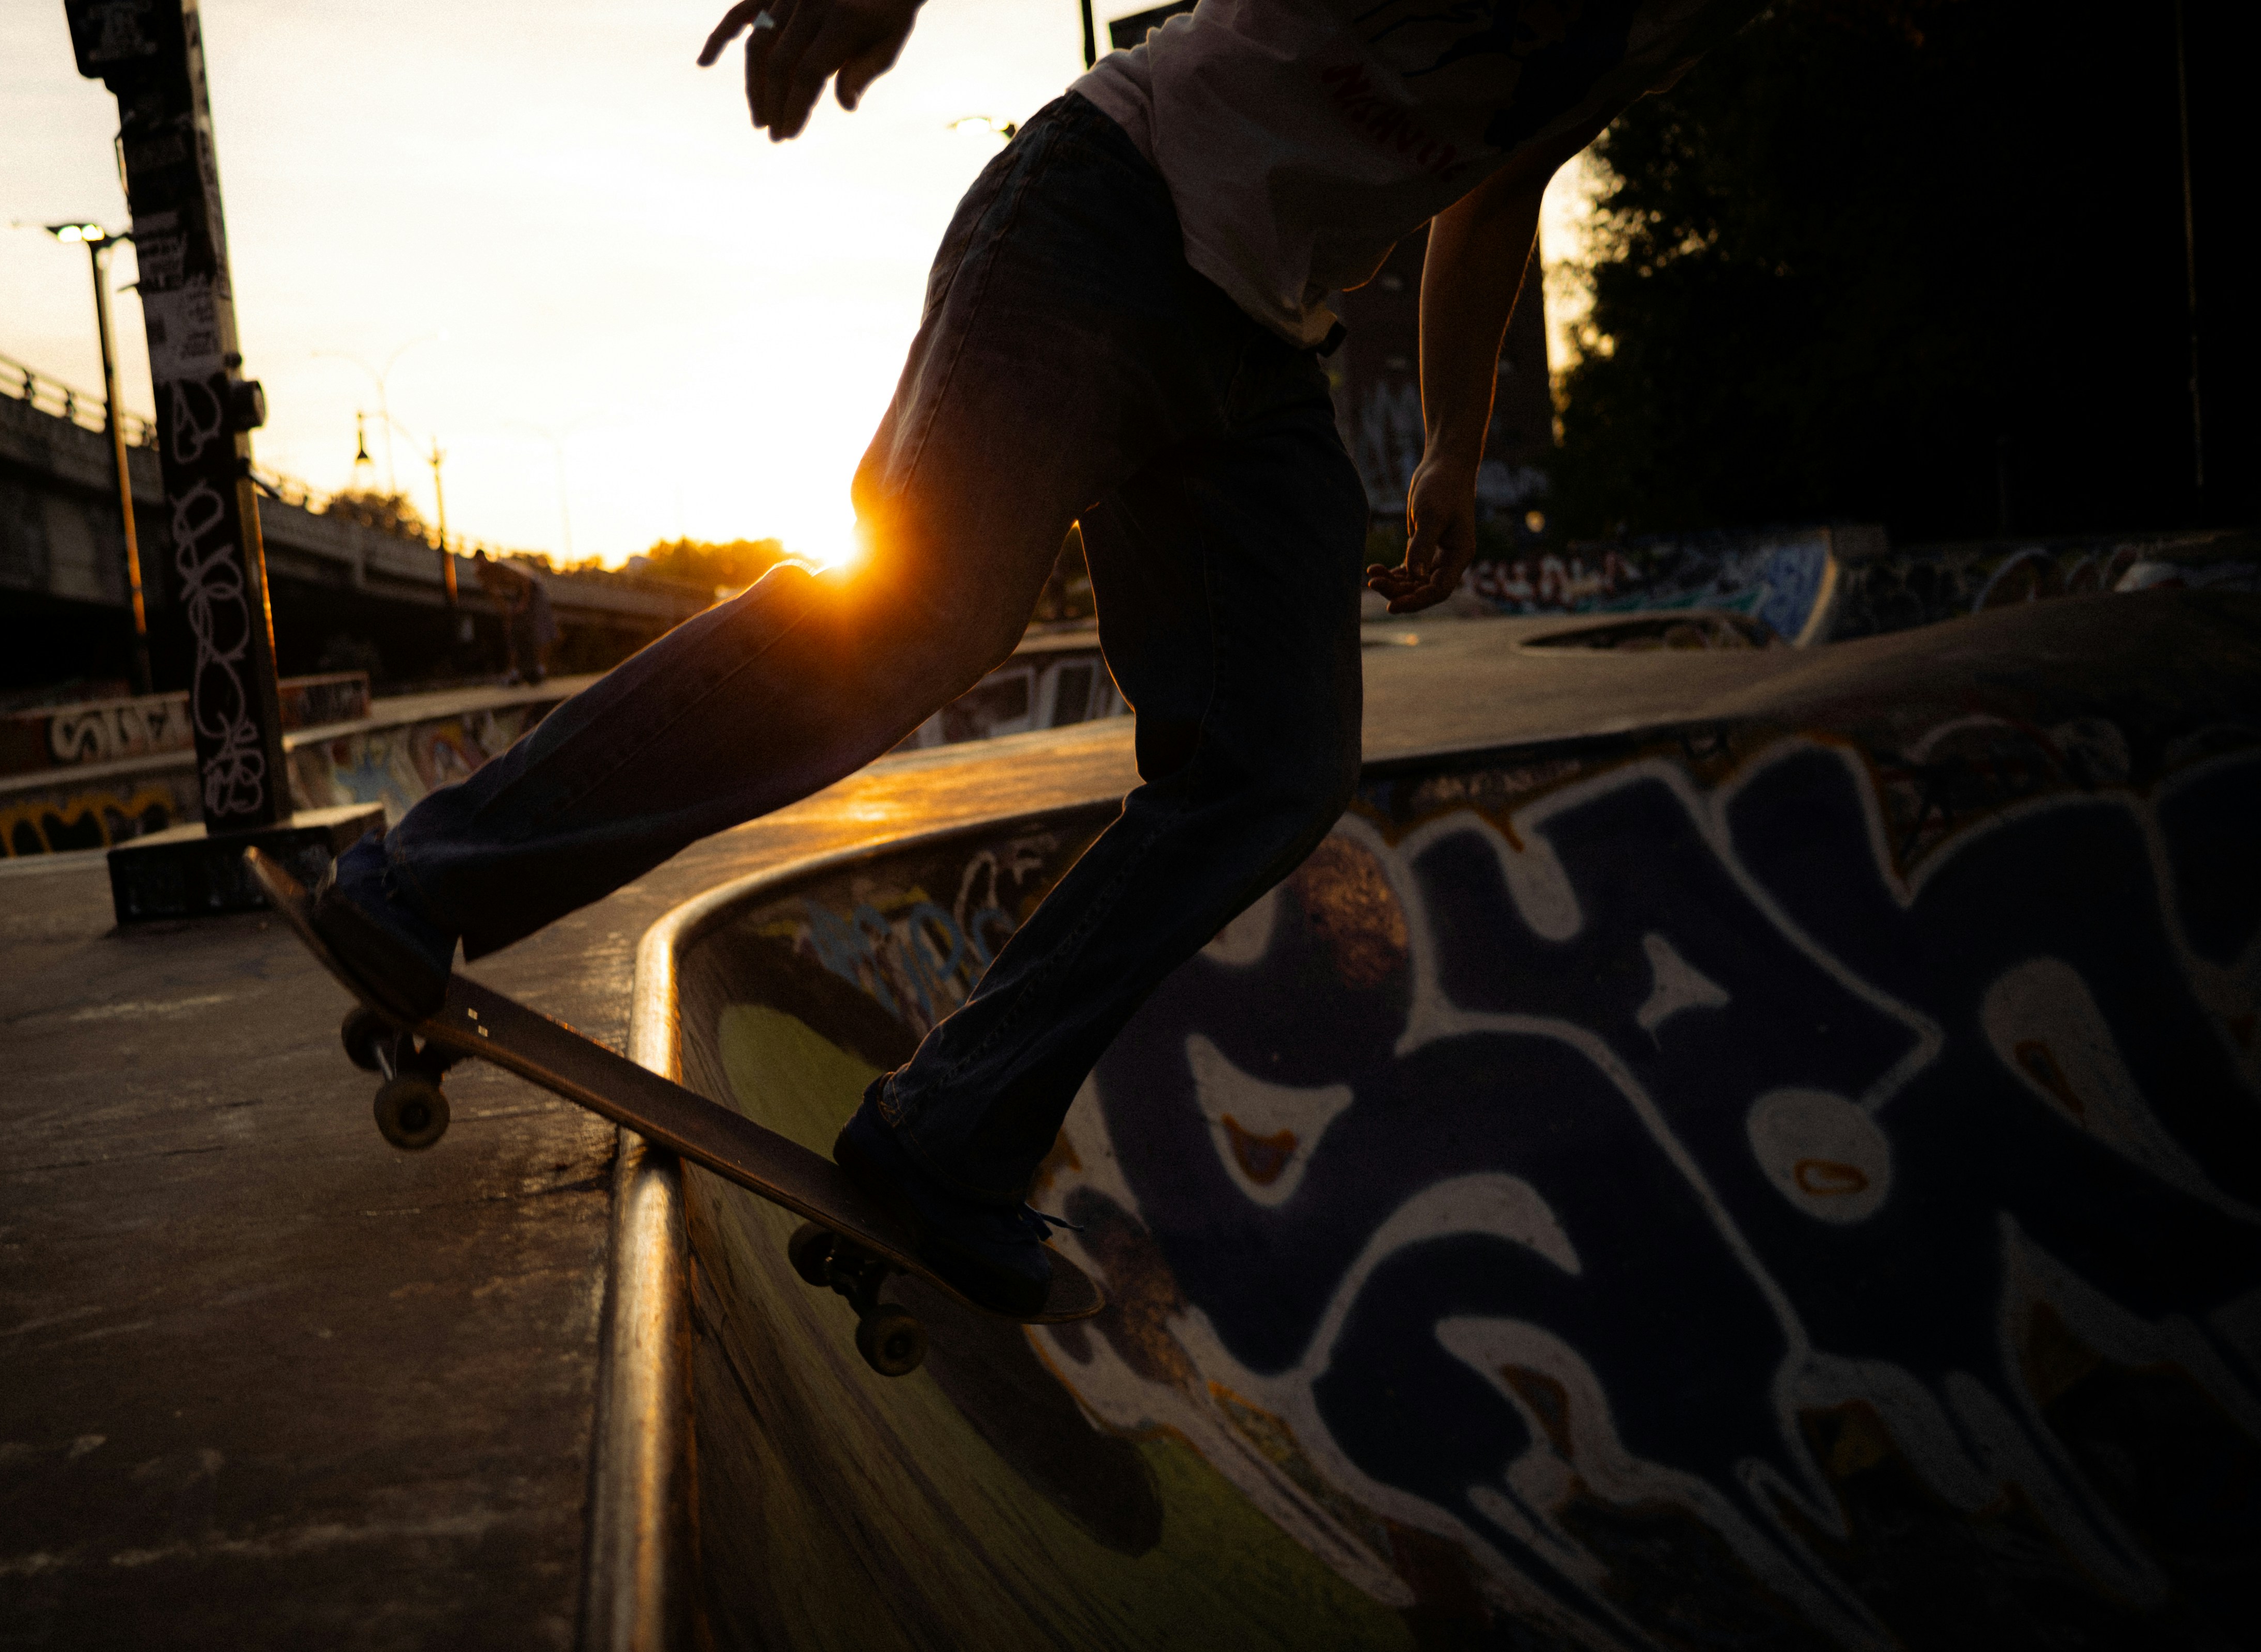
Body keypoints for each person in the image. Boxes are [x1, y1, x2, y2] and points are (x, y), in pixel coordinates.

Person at [312, 0, 1757, 1313]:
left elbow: (1498, 187)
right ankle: (426, 876)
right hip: (1105, 215)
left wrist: (1451, 440)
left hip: (1259, 355)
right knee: (924, 615)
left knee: (1275, 765)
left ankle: (951, 1132)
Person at [473, 550, 556, 685]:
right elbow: (496, 597)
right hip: (517, 594)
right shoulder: (481, 575)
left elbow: (525, 581)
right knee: (514, 632)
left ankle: (541, 670)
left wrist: (523, 605)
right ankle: (515, 672)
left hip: (533, 588)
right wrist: (508, 616)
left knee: (539, 628)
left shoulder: (500, 567)